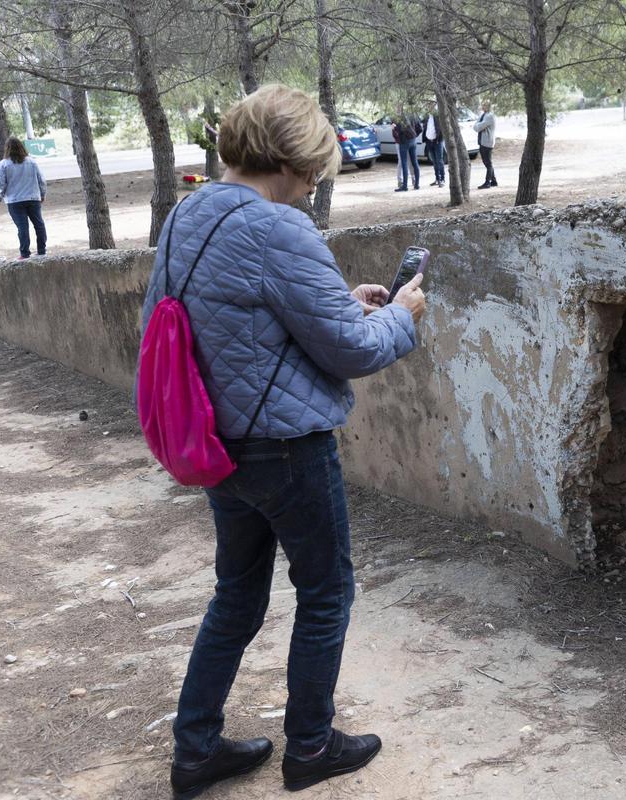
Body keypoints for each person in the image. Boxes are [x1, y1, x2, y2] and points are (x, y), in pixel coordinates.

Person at [139, 84, 426, 798]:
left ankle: (196, 748)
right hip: (284, 446)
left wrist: (342, 303)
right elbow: (353, 353)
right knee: (327, 591)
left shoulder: (189, 212)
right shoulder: (278, 227)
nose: (314, 185)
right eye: (315, 171)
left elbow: (231, 322)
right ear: (295, 162)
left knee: (236, 594)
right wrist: (403, 314)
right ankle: (311, 747)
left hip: (216, 443)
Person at [0, 137, 47, 259]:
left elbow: (1, 183)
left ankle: (24, 253)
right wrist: (42, 194)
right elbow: (41, 180)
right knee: (39, 224)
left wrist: (1, 194)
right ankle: (42, 250)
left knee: (22, 227)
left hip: (14, 200)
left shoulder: (4, 164)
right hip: (33, 197)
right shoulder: (32, 161)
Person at [392, 105, 421, 192]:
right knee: (415, 162)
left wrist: (394, 128)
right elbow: (420, 128)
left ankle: (405, 186)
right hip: (413, 141)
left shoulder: (400, 117)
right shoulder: (412, 114)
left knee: (404, 163)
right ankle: (417, 184)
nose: (396, 109)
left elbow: (401, 129)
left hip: (404, 142)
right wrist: (414, 136)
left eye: (397, 107)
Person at [474, 100, 497, 189]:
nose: (482, 107)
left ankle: (488, 182)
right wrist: (477, 125)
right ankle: (494, 181)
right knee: (487, 162)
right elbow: (476, 126)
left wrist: (477, 125)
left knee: (488, 162)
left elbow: (478, 127)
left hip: (487, 142)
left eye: (484, 105)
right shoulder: (483, 115)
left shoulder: (489, 116)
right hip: (482, 141)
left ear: (488, 106)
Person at [422, 102, 445, 188]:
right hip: (429, 141)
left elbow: (442, 128)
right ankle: (437, 179)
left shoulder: (438, 116)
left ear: (434, 106)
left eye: (431, 105)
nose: (429, 107)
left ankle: (442, 179)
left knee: (439, 161)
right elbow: (425, 127)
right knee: (434, 161)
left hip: (437, 141)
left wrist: (439, 138)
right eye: (428, 105)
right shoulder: (427, 116)